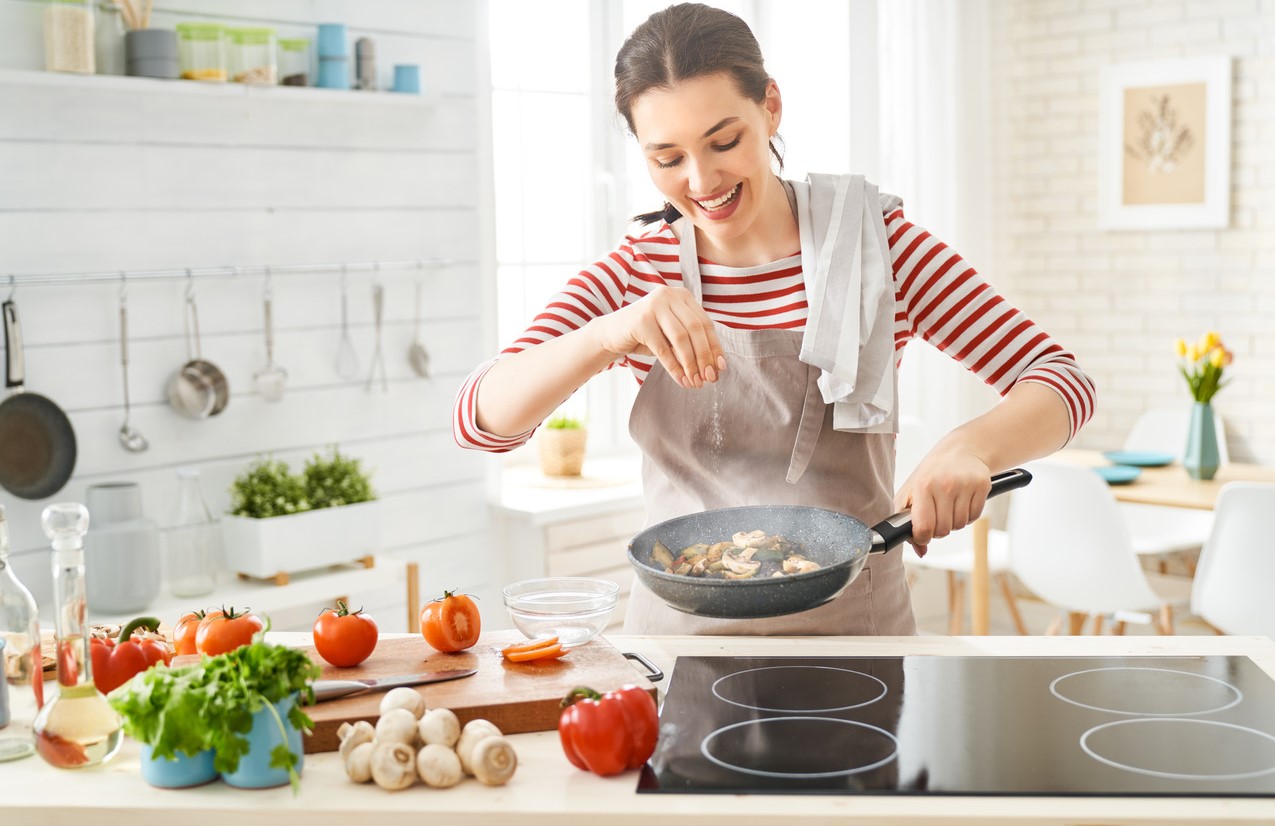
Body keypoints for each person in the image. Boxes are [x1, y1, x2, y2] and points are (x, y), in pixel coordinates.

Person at [455, 3, 1095, 636]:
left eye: (723, 141)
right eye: (668, 159)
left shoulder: (876, 250)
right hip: (679, 646)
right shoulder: (639, 272)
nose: (702, 180)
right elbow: (480, 420)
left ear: (771, 107)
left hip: (855, 638)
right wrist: (607, 333)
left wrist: (971, 446)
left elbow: (1063, 380)